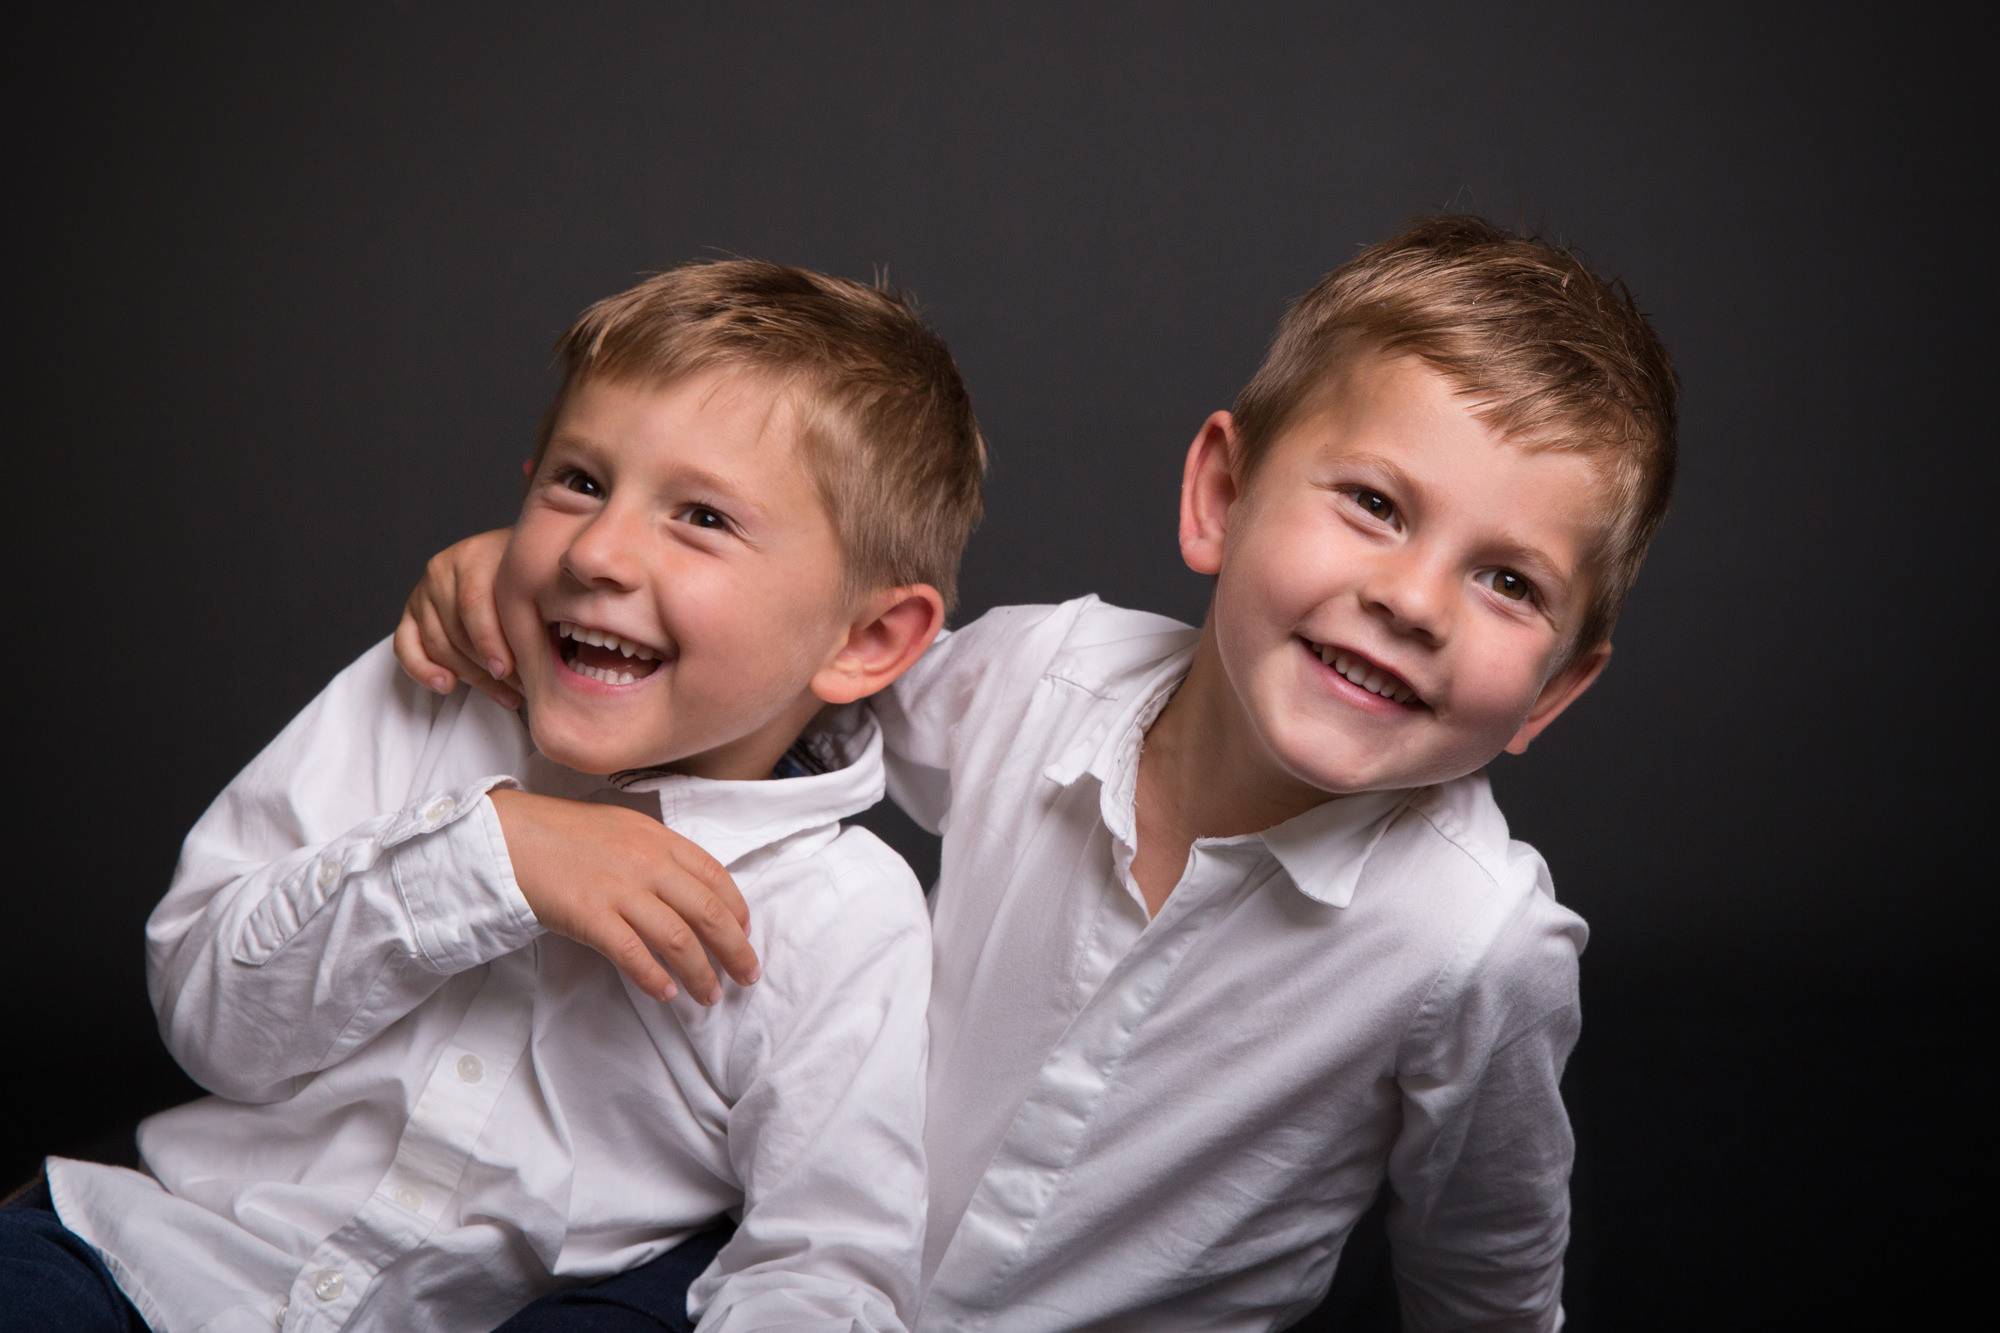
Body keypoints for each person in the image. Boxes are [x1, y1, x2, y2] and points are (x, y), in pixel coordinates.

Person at [398, 214, 1678, 1331]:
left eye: (1507, 581)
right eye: (1374, 506)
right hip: (782, 1271)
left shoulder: (1474, 941)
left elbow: (1487, 1270)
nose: (1410, 599)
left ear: (1554, 690)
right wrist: (544, 585)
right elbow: (792, 663)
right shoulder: (1044, 675)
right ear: (1219, 498)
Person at [5, 259, 986, 1333]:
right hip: (168, 1261)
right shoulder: (429, 695)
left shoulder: (843, 917)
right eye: (577, 482)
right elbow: (209, 1018)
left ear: (865, 639)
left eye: (701, 516)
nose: (599, 551)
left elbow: (827, 1263)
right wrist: (483, 856)